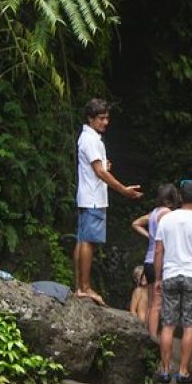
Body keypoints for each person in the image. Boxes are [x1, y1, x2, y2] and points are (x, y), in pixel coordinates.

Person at [75, 98, 143, 305]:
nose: (105, 122)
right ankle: (84, 288)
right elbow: (100, 172)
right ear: (91, 118)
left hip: (88, 196)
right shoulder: (91, 140)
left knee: (82, 240)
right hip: (94, 198)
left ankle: (79, 286)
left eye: (107, 118)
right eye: (101, 118)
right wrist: (124, 190)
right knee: (88, 241)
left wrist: (105, 167)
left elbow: (97, 168)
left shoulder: (88, 138)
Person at [154, 179, 192, 384]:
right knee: (190, 326)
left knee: (168, 325)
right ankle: (182, 371)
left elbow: (158, 251)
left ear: (180, 197)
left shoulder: (166, 220)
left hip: (170, 275)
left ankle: (164, 370)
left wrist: (158, 278)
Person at [131, 183, 180, 337]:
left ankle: (148, 335)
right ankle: (154, 337)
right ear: (173, 198)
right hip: (162, 262)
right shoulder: (168, 214)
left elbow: (135, 223)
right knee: (160, 305)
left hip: (148, 261)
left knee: (152, 304)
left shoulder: (153, 214)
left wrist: (149, 236)